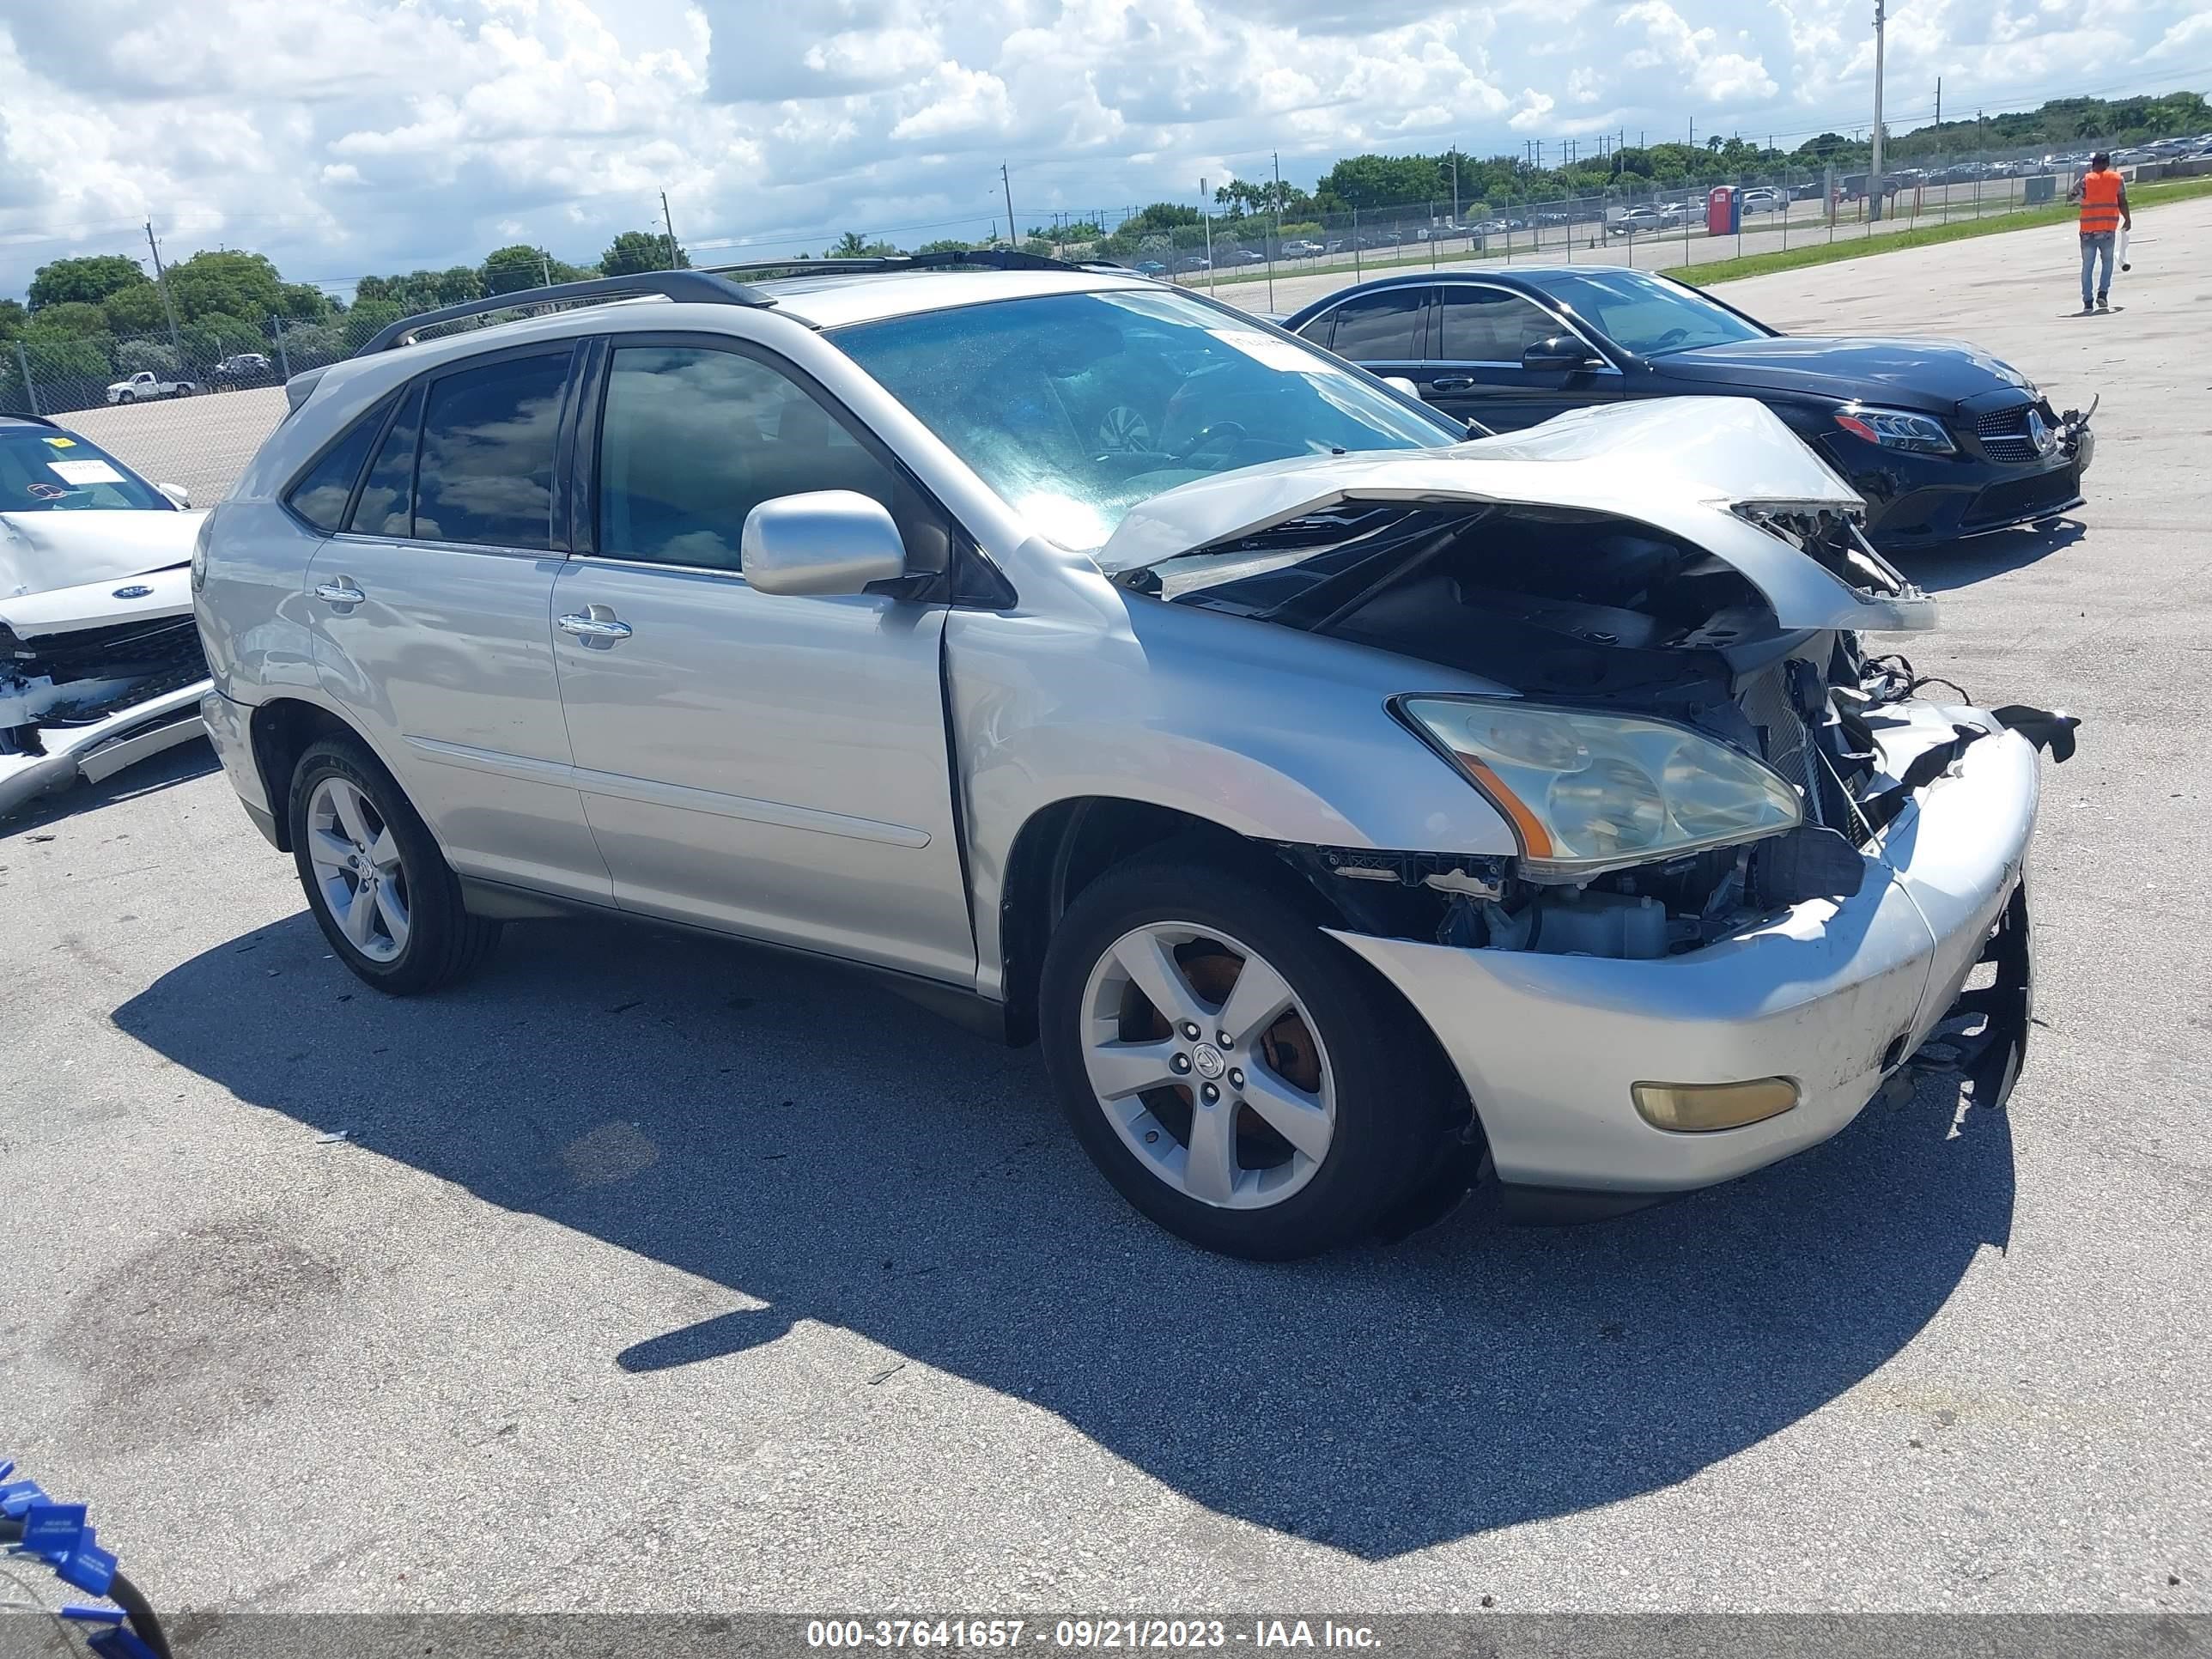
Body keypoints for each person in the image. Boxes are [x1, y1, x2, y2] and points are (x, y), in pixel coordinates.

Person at [2067, 153, 2130, 313]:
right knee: (2107, 263)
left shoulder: (2085, 181)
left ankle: (2087, 301)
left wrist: (2083, 199)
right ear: (2107, 164)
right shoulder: (2117, 179)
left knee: (2088, 266)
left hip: (2087, 231)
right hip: (2107, 228)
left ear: (2093, 164)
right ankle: (2102, 294)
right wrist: (2127, 219)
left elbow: (2070, 197)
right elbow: (2122, 202)